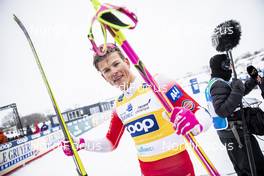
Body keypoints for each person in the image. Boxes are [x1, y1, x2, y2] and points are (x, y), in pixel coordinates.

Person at [62, 43, 212, 176]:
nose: (113, 72)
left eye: (116, 64)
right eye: (106, 70)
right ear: (104, 77)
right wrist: (81, 143)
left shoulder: (158, 82)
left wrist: (196, 124)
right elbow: (110, 142)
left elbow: (202, 113)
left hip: (178, 167)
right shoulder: (118, 105)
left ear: (126, 62)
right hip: (147, 171)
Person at [205, 54, 264, 176]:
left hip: (236, 133)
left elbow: (236, 95)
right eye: (228, 64)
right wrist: (237, 89)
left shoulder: (220, 82)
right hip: (235, 136)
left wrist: (253, 81)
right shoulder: (217, 85)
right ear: (222, 66)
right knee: (250, 170)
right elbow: (222, 110)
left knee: (257, 165)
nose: (230, 67)